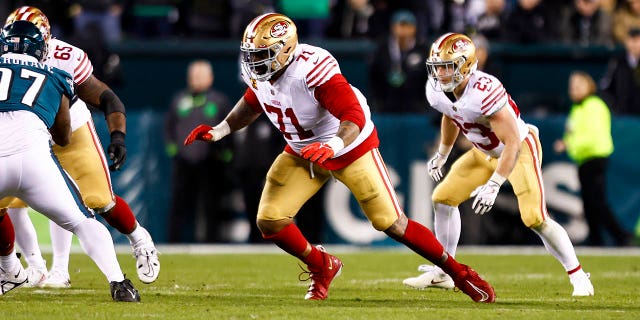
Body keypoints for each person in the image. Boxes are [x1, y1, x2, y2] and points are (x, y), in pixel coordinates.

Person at [184, 13, 495, 303]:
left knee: (391, 223)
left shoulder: (311, 67)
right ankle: (322, 265)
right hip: (302, 147)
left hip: (348, 145)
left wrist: (332, 146)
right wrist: (221, 130)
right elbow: (253, 101)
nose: (254, 62)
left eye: (261, 55)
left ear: (285, 50)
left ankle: (458, 272)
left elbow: (353, 115)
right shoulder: (263, 73)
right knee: (270, 220)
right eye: (251, 54)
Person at [402, 33, 594, 297]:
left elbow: (513, 142)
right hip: (484, 153)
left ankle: (578, 274)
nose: (442, 74)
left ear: (466, 64)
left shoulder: (484, 90)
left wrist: (494, 185)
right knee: (443, 199)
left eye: (448, 66)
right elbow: (450, 115)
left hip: (518, 150)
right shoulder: (437, 89)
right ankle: (445, 271)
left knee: (535, 218)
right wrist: (443, 152)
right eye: (438, 67)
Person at [0, 6, 159, 288]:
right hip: (25, 136)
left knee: (99, 200)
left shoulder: (66, 57)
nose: (17, 46)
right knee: (8, 204)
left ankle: (138, 238)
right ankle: (32, 268)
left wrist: (118, 137)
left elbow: (109, 99)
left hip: (69, 130)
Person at [554, 71, 634, 246]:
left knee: (597, 201)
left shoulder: (595, 106)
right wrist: (567, 142)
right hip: (584, 160)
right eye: (572, 86)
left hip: (595, 158)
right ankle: (596, 240)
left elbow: (593, 136)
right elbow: (574, 133)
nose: (574, 90)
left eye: (578, 86)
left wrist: (570, 144)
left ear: (589, 86)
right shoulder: (577, 108)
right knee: (590, 204)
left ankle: (622, 236)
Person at [164, 59, 235, 242]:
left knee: (211, 205)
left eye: (200, 75)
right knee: (178, 205)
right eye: (193, 76)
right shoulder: (179, 100)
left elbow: (229, 127)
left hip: (210, 162)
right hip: (184, 162)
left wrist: (225, 153)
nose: (195, 79)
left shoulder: (219, 101)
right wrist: (174, 150)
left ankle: (212, 242)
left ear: (210, 78)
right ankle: (173, 243)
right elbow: (169, 126)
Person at [368, 10, 430, 114]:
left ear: (414, 28)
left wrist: (423, 105)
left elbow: (428, 78)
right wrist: (379, 103)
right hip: (386, 108)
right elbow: (374, 77)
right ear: (393, 27)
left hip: (416, 109)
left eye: (408, 26)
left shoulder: (423, 50)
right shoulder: (382, 49)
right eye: (401, 25)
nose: (404, 30)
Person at [599, 27, 640, 115]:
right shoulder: (617, 62)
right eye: (632, 41)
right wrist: (615, 108)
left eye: (637, 41)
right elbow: (605, 88)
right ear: (626, 42)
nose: (635, 45)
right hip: (622, 116)